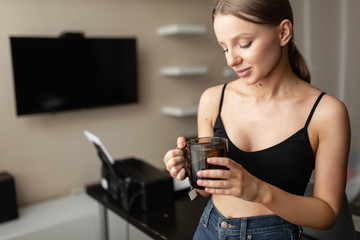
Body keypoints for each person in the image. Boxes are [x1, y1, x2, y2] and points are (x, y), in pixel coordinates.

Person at [163, 0, 351, 239]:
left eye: (244, 44)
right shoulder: (213, 100)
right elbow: (205, 191)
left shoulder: (326, 113)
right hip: (208, 229)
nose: (231, 60)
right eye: (224, 48)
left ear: (283, 32)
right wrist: (189, 168)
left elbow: (328, 213)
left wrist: (258, 190)